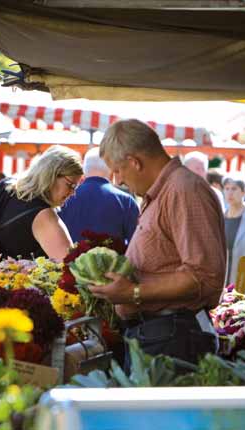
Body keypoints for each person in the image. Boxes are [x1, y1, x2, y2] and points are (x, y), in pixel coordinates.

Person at [87, 119, 225, 368]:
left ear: (134, 162)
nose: (117, 181)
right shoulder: (163, 192)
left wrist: (133, 292)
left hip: (172, 338)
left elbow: (204, 275)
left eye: (118, 170)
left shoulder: (183, 190)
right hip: (159, 335)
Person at [0, 145, 82, 262]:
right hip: (16, 280)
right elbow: (71, 266)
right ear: (52, 175)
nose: (73, 193)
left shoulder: (2, 189)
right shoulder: (43, 215)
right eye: (71, 185)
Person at [59, 147, 139, 244]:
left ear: (83, 170)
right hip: (114, 258)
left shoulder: (63, 199)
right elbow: (135, 244)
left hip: (67, 258)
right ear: (111, 170)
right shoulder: (126, 201)